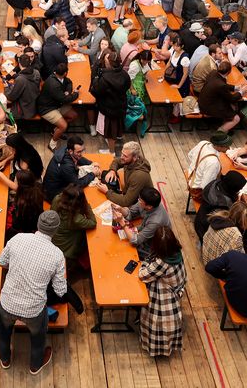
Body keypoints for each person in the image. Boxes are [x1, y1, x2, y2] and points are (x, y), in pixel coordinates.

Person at [0, 210, 67, 375]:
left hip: (7, 303)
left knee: (3, 333)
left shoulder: (18, 238)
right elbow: (60, 291)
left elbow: (1, 262)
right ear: (56, 230)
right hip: (33, 310)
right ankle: (35, 366)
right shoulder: (57, 255)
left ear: (37, 224)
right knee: (37, 339)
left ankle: (5, 359)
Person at [138, 226, 188, 358]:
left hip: (164, 295)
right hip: (177, 287)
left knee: (154, 322)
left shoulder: (162, 262)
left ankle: (155, 348)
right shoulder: (177, 252)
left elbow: (143, 275)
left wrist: (143, 264)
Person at [111, 186, 171, 258]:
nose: (138, 201)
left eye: (140, 200)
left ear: (149, 206)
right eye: (139, 198)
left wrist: (122, 222)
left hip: (154, 246)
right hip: (144, 230)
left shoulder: (156, 222)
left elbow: (135, 241)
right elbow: (130, 213)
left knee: (121, 251)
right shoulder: (146, 202)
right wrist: (120, 209)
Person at [35, 60, 79, 151]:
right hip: (47, 108)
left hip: (57, 104)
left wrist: (68, 91)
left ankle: (55, 130)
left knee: (74, 115)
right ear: (66, 73)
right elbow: (65, 99)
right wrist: (75, 94)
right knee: (63, 125)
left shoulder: (59, 77)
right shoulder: (53, 84)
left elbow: (69, 82)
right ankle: (52, 144)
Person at [96, 141, 153, 207]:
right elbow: (117, 161)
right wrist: (112, 171)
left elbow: (126, 202)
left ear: (134, 157)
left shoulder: (139, 176)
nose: (122, 157)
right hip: (129, 192)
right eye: (122, 154)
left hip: (139, 204)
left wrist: (107, 192)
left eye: (125, 156)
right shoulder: (131, 160)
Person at [49, 184, 96, 264]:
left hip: (53, 239)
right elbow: (93, 223)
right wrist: (86, 205)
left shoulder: (57, 199)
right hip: (66, 251)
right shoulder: (76, 219)